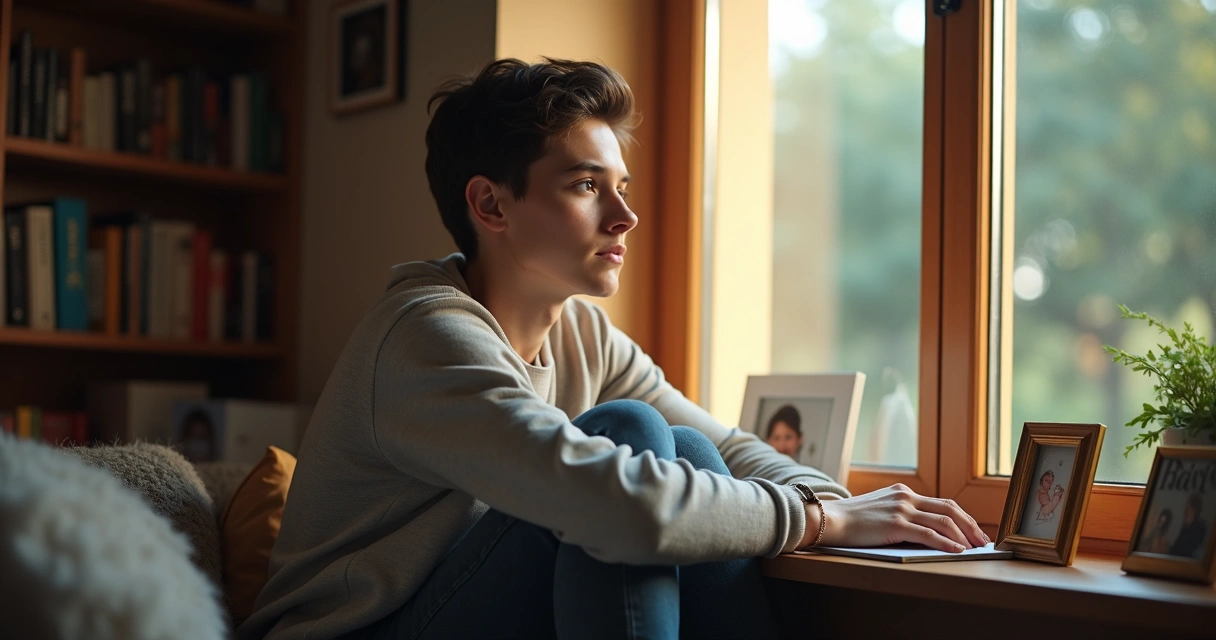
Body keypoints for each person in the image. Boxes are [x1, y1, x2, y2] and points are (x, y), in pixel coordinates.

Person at [239, 58, 988, 640]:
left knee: (684, 443)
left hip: (462, 609)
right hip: (360, 632)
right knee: (625, 435)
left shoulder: (581, 333)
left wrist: (838, 501)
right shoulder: (427, 336)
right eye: (586, 185)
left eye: (621, 185)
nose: (625, 215)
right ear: (490, 204)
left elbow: (727, 446)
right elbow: (626, 513)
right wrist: (820, 524)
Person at [1169, 493, 1208, 559]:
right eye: (1186, 508)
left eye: (1188, 508)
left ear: (1195, 510)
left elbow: (1188, 549)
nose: (1185, 511)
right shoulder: (1186, 525)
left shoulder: (1200, 526)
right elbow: (1175, 548)